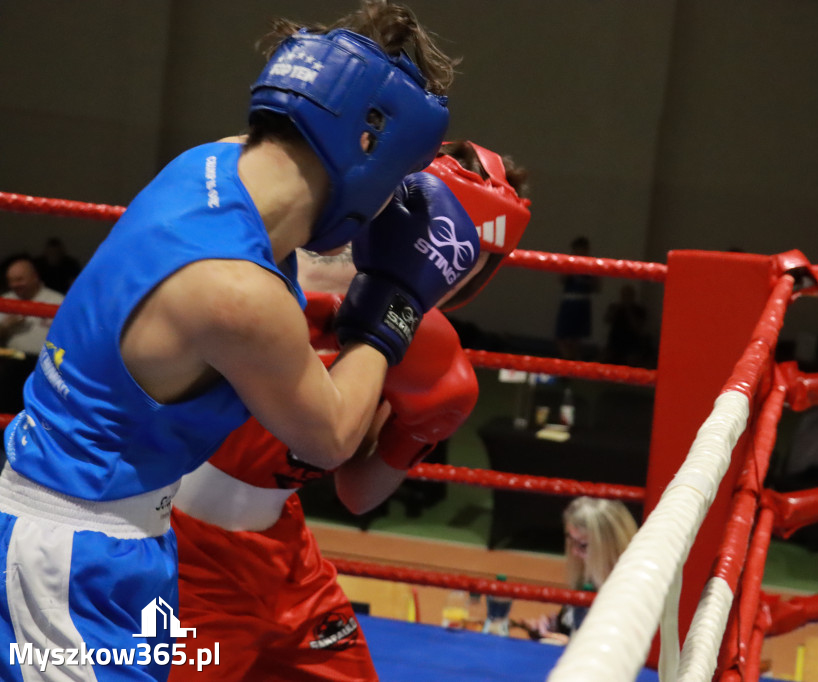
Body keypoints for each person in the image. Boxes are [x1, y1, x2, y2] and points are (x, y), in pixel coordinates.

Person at [0, 3, 473, 680]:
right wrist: (398, 301)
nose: (389, 204)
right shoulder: (235, 292)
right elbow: (333, 437)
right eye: (401, 176)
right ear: (372, 146)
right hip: (73, 548)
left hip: (126, 529)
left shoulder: (212, 165)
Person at [169, 141, 531, 681]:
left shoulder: (424, 348)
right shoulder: (282, 264)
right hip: (181, 556)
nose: (454, 269)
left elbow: (358, 493)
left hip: (285, 556)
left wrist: (421, 429)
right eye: (454, 244)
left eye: (473, 260)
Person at [524, 496, 638, 644]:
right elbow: (572, 627)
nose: (574, 552)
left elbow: (622, 649)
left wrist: (571, 644)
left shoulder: (631, 589)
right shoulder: (586, 576)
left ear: (609, 546)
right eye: (571, 541)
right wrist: (551, 626)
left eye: (583, 545)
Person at [0, 255, 64, 414]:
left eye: (19, 279)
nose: (15, 285)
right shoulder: (4, 301)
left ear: (34, 277)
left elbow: (72, 341)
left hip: (45, 367)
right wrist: (5, 327)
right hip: (11, 365)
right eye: (11, 280)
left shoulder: (57, 301)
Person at [555, 236, 600, 360]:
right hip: (569, 302)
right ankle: (568, 363)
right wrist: (572, 269)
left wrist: (587, 276)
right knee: (562, 336)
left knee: (576, 338)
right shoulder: (569, 262)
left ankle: (571, 365)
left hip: (582, 303)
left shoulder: (592, 264)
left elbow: (597, 287)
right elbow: (561, 279)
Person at [603, 283, 649, 366]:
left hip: (632, 342)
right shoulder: (614, 307)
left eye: (628, 294)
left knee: (632, 364)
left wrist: (628, 310)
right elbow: (607, 320)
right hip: (615, 341)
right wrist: (617, 309)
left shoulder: (639, 309)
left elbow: (637, 327)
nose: (626, 297)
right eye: (624, 294)